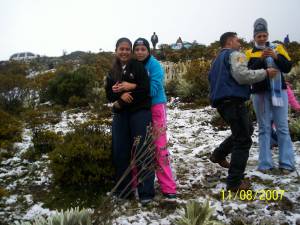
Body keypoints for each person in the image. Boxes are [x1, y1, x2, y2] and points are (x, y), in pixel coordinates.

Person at [208, 32, 278, 191]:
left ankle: (219, 154)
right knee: (243, 140)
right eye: (237, 40)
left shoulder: (217, 59)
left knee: (246, 129)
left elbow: (211, 79)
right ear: (230, 41)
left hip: (222, 102)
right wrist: (265, 73)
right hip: (233, 101)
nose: (239, 43)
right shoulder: (235, 54)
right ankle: (234, 182)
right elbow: (242, 75)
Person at [117, 38, 177, 198]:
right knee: (139, 146)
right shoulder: (132, 65)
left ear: (148, 51)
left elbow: (153, 88)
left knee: (159, 147)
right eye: (136, 49)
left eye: (143, 49)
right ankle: (138, 183)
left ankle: (168, 187)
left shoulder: (154, 65)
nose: (139, 52)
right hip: (138, 109)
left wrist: (134, 87)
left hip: (156, 106)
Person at [105, 37, 155, 205]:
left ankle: (146, 192)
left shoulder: (138, 67)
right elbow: (109, 95)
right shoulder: (113, 71)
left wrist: (130, 90)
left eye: (127, 49)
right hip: (120, 114)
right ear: (116, 50)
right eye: (121, 49)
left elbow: (146, 89)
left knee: (143, 150)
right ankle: (124, 191)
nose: (124, 52)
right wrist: (119, 96)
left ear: (130, 51)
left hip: (140, 112)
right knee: (120, 151)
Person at [245, 18, 295, 174]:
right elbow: (248, 72)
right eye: (258, 36)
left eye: (264, 35)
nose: (262, 39)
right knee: (264, 128)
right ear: (254, 37)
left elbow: (287, 68)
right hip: (259, 94)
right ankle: (265, 164)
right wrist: (260, 60)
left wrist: (275, 57)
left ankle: (286, 163)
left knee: (282, 128)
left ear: (267, 35)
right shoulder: (249, 53)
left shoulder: (278, 48)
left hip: (279, 92)